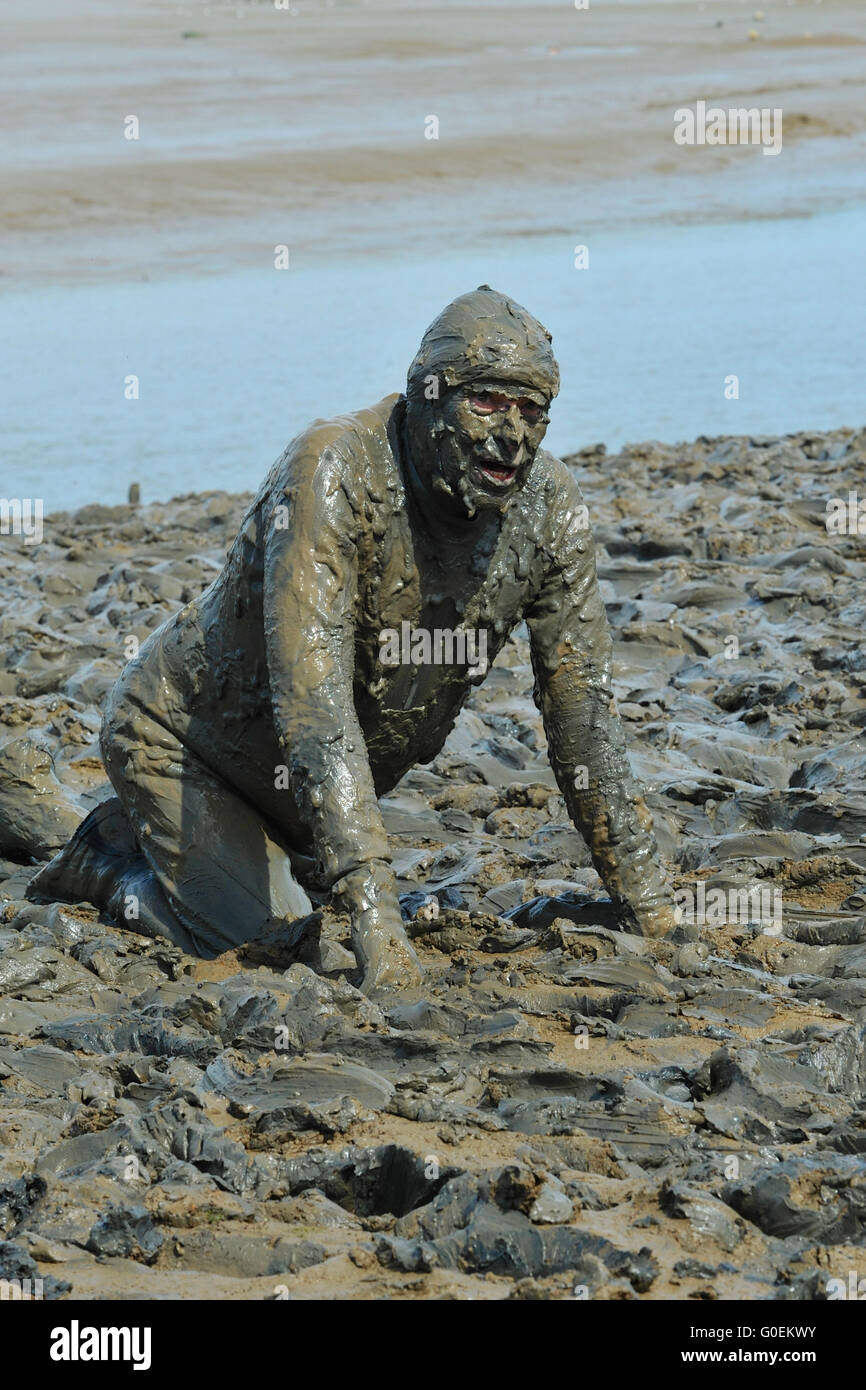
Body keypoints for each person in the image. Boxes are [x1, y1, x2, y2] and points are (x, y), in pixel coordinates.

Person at [30, 286, 676, 991]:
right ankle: (106, 858)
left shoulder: (551, 512)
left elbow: (583, 716)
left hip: (303, 802)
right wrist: (379, 928)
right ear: (425, 399)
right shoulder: (332, 471)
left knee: (293, 907)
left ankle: (247, 855)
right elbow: (317, 707)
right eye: (486, 402)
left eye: (531, 411)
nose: (511, 434)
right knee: (260, 940)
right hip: (186, 743)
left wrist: (648, 905)